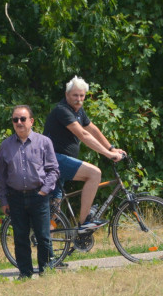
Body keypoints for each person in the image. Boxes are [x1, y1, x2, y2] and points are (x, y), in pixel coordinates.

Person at [43, 76, 125, 234]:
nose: (78, 99)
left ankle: (49, 253)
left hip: (59, 161)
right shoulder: (62, 110)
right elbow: (83, 135)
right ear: (67, 95)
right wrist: (108, 154)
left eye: (81, 96)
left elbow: (91, 129)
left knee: (53, 210)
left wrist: (112, 148)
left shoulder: (78, 110)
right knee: (94, 174)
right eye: (75, 95)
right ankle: (84, 222)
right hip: (54, 159)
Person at [0, 105, 59, 279]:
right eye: (15, 119)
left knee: (43, 237)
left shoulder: (44, 142)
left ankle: (46, 271)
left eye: (23, 119)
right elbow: (0, 176)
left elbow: (53, 170)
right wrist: (3, 200)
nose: (19, 123)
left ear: (31, 121)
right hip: (15, 197)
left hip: (39, 195)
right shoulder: (6, 146)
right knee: (20, 238)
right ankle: (25, 273)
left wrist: (44, 191)